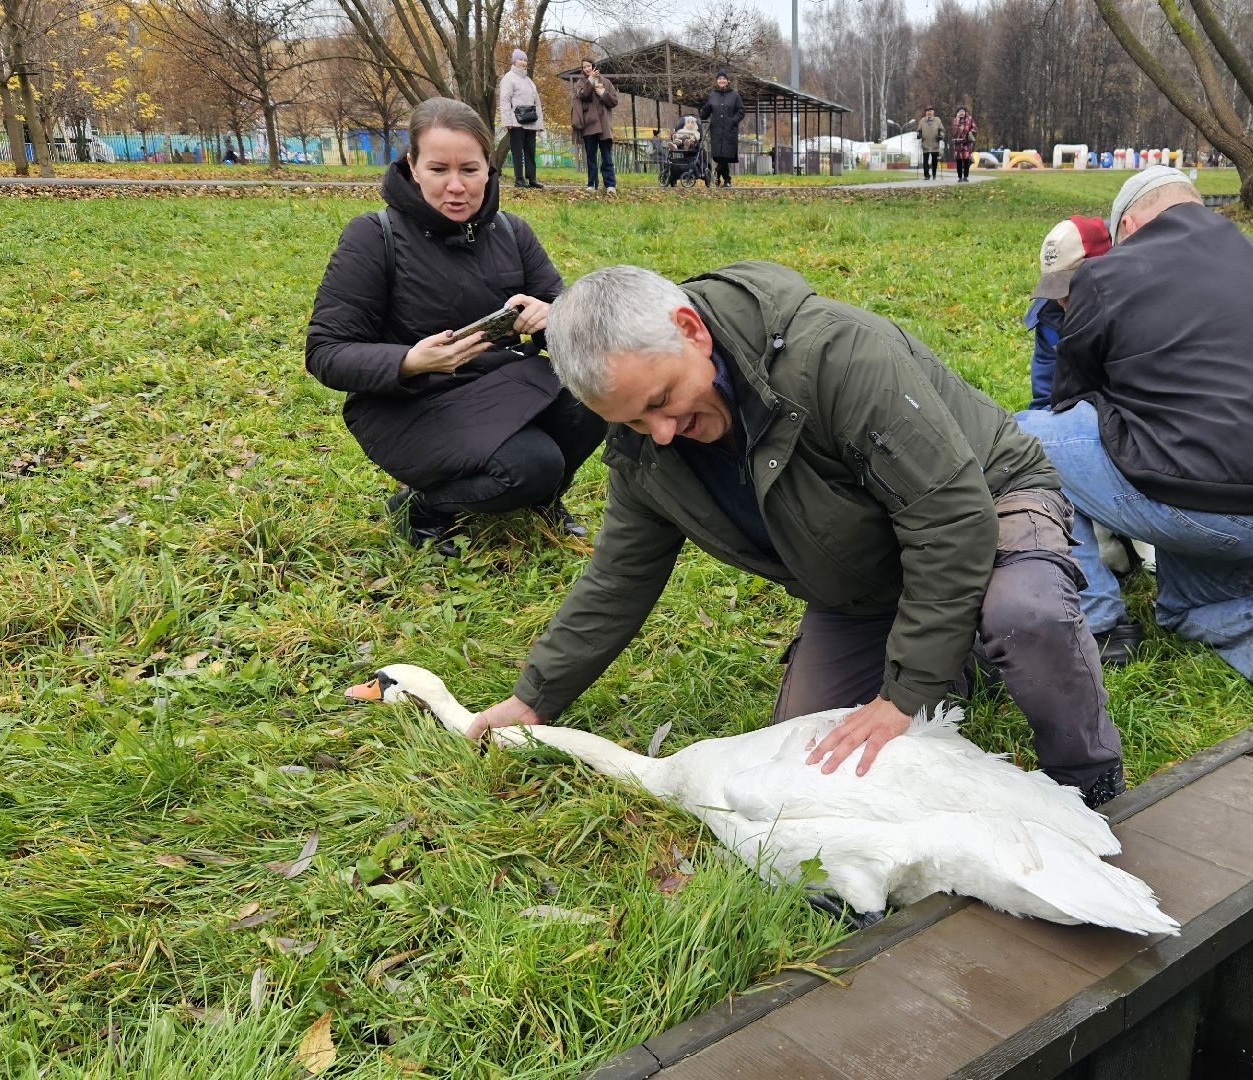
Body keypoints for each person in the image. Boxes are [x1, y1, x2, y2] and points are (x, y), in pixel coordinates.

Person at [464, 262, 1129, 809]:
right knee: (807, 769)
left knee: (1024, 616)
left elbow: (950, 519)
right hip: (862, 571)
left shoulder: (835, 356)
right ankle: (953, 655)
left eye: (662, 401)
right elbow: (619, 577)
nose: (660, 433)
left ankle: (1089, 779)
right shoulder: (646, 450)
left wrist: (902, 697)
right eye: (635, 422)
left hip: (986, 494)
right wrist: (535, 697)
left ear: (691, 331)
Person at [1013, 166, 1253, 704]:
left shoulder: (1108, 274)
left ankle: (1098, 624)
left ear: (1127, 225)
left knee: (1020, 440)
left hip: (1200, 502)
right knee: (1186, 606)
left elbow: (1071, 408)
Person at [305, 97, 606, 558]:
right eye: (438, 169)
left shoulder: (511, 232)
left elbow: (566, 318)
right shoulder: (373, 236)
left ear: (489, 167)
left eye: (469, 170)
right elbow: (325, 351)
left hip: (501, 384)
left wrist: (551, 316)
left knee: (596, 397)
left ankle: (541, 500)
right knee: (533, 464)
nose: (455, 187)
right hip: (412, 403)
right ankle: (422, 506)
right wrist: (408, 361)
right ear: (413, 166)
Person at [1024, 216, 1111, 410]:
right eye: (1054, 289)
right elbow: (1044, 401)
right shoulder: (1049, 319)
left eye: (1070, 288)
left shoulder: (1135, 309)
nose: (1061, 303)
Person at [498, 48, 546, 189]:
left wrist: (539, 124)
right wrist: (507, 121)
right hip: (516, 121)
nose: (523, 62)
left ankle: (532, 179)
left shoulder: (530, 81)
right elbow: (505, 100)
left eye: (525, 60)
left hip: (530, 121)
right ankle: (519, 180)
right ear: (514, 61)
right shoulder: (508, 78)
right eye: (520, 59)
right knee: (517, 152)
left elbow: (537, 103)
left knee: (530, 151)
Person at [572, 58, 619, 194]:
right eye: (584, 67)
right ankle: (592, 184)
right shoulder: (580, 83)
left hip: (604, 125)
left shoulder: (606, 82)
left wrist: (603, 94)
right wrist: (591, 80)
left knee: (607, 157)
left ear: (594, 66)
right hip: (589, 126)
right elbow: (584, 95)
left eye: (589, 66)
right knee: (591, 157)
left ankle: (610, 185)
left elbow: (614, 102)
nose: (587, 69)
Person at [699, 71, 746, 187]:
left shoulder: (735, 95)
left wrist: (733, 121)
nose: (722, 81)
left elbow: (741, 111)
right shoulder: (713, 95)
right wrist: (701, 113)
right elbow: (707, 110)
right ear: (717, 81)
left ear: (728, 81)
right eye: (719, 79)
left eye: (724, 79)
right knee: (718, 156)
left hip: (729, 131)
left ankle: (722, 177)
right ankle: (724, 179)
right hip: (716, 131)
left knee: (725, 156)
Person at [916, 106, 946, 180]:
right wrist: (919, 135)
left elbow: (942, 130)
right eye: (927, 111)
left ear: (933, 112)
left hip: (935, 143)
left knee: (934, 161)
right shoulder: (922, 120)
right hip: (925, 144)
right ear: (926, 112)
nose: (929, 112)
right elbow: (919, 130)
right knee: (925, 162)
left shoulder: (937, 120)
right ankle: (926, 175)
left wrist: (941, 136)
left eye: (930, 111)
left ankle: (934, 174)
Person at [950, 107, 977, 182]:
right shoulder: (955, 120)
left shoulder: (969, 119)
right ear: (957, 113)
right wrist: (957, 121)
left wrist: (971, 132)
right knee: (958, 161)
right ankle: (959, 177)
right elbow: (952, 131)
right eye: (960, 111)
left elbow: (974, 128)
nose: (961, 113)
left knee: (966, 160)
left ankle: (965, 176)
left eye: (963, 111)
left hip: (966, 143)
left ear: (965, 112)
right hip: (957, 143)